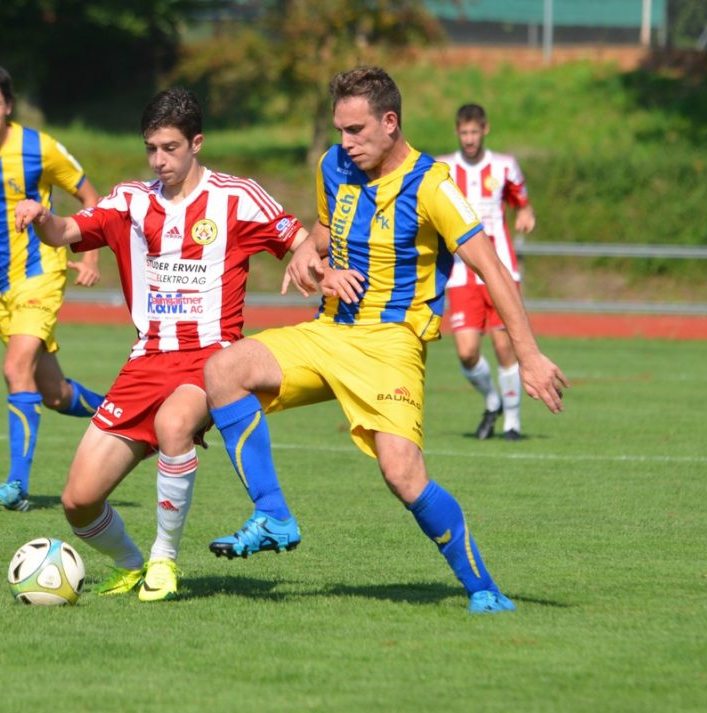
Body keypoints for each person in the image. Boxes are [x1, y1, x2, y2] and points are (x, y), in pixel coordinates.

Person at [203, 67, 569, 614]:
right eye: (340, 130)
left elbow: (491, 266)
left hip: (391, 344)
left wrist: (531, 354)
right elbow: (324, 232)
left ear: (390, 123)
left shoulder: (432, 186)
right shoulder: (335, 166)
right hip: (329, 331)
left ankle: (483, 589)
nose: (344, 143)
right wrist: (308, 253)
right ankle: (274, 514)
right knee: (223, 371)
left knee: (403, 475)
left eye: (355, 131)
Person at [13, 88, 308, 602]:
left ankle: (164, 560)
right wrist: (40, 216)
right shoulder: (129, 201)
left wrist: (313, 264)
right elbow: (63, 232)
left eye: (170, 147)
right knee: (77, 501)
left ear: (197, 143)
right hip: (145, 362)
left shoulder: (237, 196)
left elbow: (299, 240)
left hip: (211, 361)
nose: (159, 159)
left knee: (174, 424)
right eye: (151, 148)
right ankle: (130, 564)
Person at [0, 60, 105, 512]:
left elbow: (90, 199)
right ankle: (132, 417)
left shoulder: (38, 147)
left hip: (40, 272)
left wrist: (89, 253)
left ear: (8, 105)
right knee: (54, 393)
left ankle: (16, 486)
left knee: (14, 367)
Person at [438, 104, 536, 441]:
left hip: (502, 271)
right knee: (466, 352)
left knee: (505, 347)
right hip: (462, 274)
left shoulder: (505, 166)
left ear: (485, 131)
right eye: (463, 133)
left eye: (474, 133)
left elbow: (521, 199)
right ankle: (492, 400)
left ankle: (512, 423)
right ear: (457, 132)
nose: (469, 139)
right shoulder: (442, 168)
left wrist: (525, 212)